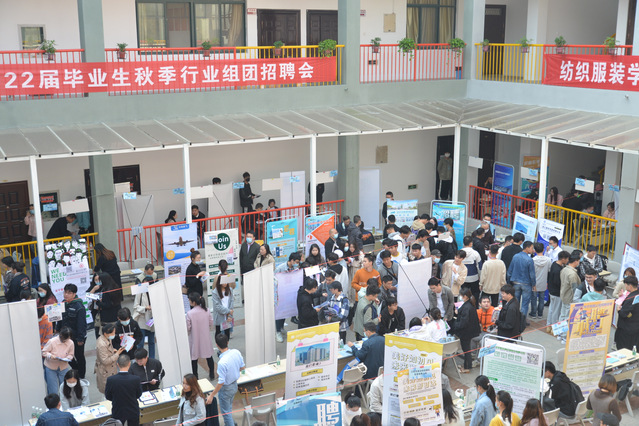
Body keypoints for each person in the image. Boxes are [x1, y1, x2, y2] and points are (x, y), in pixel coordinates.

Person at [206, 333, 245, 426]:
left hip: (226, 389)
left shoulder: (222, 362)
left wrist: (212, 395)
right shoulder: (236, 352)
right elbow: (242, 367)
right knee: (228, 408)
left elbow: (221, 382)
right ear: (227, 342)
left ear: (217, 345)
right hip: (234, 385)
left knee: (226, 413)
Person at [57, 284, 87, 379]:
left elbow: (81, 324)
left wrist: (80, 338)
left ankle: (81, 375)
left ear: (74, 294)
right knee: (66, 354)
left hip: (76, 336)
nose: (66, 295)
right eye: (65, 292)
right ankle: (76, 369)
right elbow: (60, 319)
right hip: (65, 336)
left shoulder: (79, 306)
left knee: (79, 356)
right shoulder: (63, 304)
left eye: (69, 293)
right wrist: (57, 329)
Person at [105, 354, 143, 426]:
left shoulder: (111, 380)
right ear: (129, 364)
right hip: (133, 411)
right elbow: (138, 394)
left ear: (118, 364)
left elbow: (108, 396)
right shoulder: (136, 379)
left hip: (118, 411)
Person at [186, 293, 216, 380]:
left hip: (194, 338)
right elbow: (211, 322)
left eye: (190, 300)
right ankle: (212, 374)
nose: (189, 301)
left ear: (194, 302)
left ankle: (195, 376)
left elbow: (188, 327)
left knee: (194, 358)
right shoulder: (207, 310)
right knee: (208, 356)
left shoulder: (190, 313)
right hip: (205, 337)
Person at [507, 241, 536, 321]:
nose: (532, 250)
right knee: (525, 304)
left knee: (515, 303)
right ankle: (522, 321)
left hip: (515, 282)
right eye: (532, 248)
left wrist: (509, 281)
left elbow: (509, 271)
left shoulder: (515, 257)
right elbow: (532, 274)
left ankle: (514, 319)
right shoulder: (529, 260)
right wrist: (534, 284)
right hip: (526, 284)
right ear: (527, 248)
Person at [453, 288, 480, 373]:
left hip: (466, 332)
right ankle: (466, 365)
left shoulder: (466, 307)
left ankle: (467, 367)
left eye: (461, 295)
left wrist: (455, 325)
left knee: (466, 350)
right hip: (470, 331)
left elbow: (463, 322)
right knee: (467, 349)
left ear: (465, 296)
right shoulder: (469, 304)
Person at [42, 327, 75, 395]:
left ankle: (64, 401)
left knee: (65, 389)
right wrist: (50, 356)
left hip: (63, 367)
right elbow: (44, 352)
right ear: (61, 335)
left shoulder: (71, 343)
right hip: (51, 368)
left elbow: (71, 354)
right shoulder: (52, 341)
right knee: (53, 390)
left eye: (68, 339)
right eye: (65, 339)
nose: (66, 341)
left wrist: (68, 358)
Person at [95, 323, 125, 394]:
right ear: (105, 333)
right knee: (108, 391)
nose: (114, 334)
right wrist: (117, 354)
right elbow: (105, 361)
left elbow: (108, 349)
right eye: (112, 333)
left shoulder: (107, 338)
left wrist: (113, 350)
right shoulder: (102, 344)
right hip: (106, 371)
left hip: (111, 368)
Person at [133, 276, 156, 358]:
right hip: (142, 319)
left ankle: (152, 359)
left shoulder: (155, 292)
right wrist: (145, 308)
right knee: (140, 342)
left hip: (152, 319)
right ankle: (140, 358)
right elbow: (136, 307)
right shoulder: (139, 293)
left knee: (152, 342)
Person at [615, 276, 639, 350]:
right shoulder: (636, 295)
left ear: (630, 286)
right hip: (635, 327)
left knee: (623, 349)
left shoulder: (630, 299)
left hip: (626, 330)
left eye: (625, 285)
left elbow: (624, 314)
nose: (625, 287)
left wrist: (619, 310)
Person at [547, 251, 570, 327]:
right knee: (556, 311)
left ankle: (548, 324)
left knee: (551, 309)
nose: (567, 261)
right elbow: (558, 282)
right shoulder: (558, 270)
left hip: (551, 291)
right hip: (557, 293)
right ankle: (554, 326)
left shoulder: (554, 264)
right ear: (563, 259)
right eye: (567, 259)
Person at [211, 265, 235, 338]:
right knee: (218, 334)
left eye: (226, 282)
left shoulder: (230, 290)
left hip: (227, 316)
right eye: (223, 282)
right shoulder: (215, 292)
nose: (225, 284)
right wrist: (229, 311)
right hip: (219, 316)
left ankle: (226, 345)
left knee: (227, 334)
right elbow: (217, 306)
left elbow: (231, 302)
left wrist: (230, 315)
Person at [531, 242, 551, 319]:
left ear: (535, 250)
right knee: (541, 299)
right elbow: (549, 270)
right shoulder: (548, 260)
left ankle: (533, 313)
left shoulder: (533, 260)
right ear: (543, 250)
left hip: (534, 283)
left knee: (534, 299)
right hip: (543, 282)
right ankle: (540, 314)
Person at [559, 255, 581, 322]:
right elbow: (574, 288)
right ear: (575, 261)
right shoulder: (572, 274)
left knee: (562, 315)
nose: (579, 263)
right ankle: (565, 329)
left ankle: (560, 328)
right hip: (569, 298)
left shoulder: (564, 269)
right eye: (578, 261)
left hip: (563, 295)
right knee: (567, 317)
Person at [462, 235, 483, 302]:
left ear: (463, 243)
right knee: (475, 294)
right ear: (471, 243)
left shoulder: (459, 253)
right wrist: (480, 277)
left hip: (463, 278)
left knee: (464, 294)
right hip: (474, 278)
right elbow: (479, 267)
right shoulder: (475, 253)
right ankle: (475, 306)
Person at [240, 230, 260, 298]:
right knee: (245, 286)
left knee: (252, 286)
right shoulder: (244, 245)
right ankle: (246, 298)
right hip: (244, 270)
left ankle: (253, 298)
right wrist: (241, 267)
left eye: (250, 237)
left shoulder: (257, 247)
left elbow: (258, 259)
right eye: (247, 236)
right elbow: (241, 256)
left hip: (252, 270)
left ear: (254, 238)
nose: (248, 238)